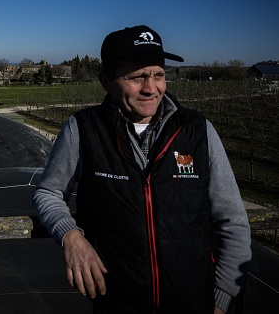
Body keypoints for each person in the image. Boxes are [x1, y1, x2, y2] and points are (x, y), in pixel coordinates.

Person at [32, 25, 251, 314]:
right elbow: (48, 192)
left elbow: (233, 220)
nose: (151, 88)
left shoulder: (197, 131)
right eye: (137, 77)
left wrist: (223, 297)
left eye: (159, 75)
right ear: (106, 81)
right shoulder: (84, 129)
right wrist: (70, 236)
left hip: (195, 302)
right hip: (118, 302)